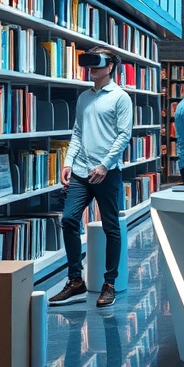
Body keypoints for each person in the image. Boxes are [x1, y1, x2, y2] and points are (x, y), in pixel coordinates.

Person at [49, 49, 133, 309]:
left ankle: (109, 284)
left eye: (97, 64)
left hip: (106, 174)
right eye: (90, 64)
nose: (91, 69)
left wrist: (105, 165)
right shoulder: (84, 97)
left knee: (111, 227)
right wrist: (67, 161)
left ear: (110, 67)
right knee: (69, 220)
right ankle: (75, 280)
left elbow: (124, 135)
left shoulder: (121, 98)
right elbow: (77, 132)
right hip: (81, 171)